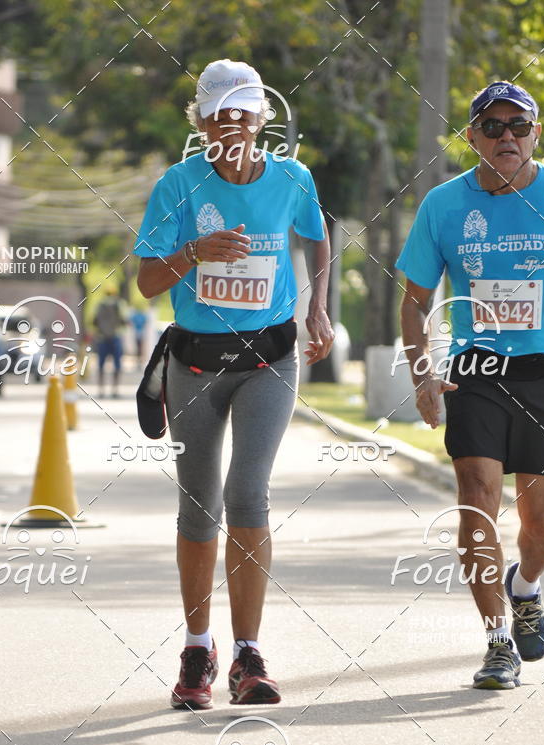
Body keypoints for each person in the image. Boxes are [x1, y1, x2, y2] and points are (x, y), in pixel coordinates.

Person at [134, 59, 333, 709]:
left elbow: (317, 238)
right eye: (219, 115)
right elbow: (147, 281)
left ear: (260, 120)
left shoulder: (292, 178)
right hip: (194, 363)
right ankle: (199, 646)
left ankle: (249, 654)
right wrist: (195, 252)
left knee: (247, 493)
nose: (232, 125)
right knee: (199, 505)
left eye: (243, 114)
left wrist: (318, 306)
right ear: (201, 122)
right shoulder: (177, 185)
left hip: (268, 361)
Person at [397, 81, 544, 690]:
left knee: (541, 526)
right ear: (472, 137)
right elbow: (415, 301)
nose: (507, 136)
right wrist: (422, 373)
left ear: (535, 134)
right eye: (493, 127)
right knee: (477, 497)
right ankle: (497, 644)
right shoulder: (444, 204)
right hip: (477, 371)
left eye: (519, 126)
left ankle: (525, 587)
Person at [93, 288, 126, 398]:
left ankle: (101, 390)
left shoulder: (100, 305)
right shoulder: (119, 304)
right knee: (117, 365)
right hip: (115, 337)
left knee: (101, 365)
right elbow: (123, 321)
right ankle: (115, 390)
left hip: (102, 338)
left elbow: (94, 321)